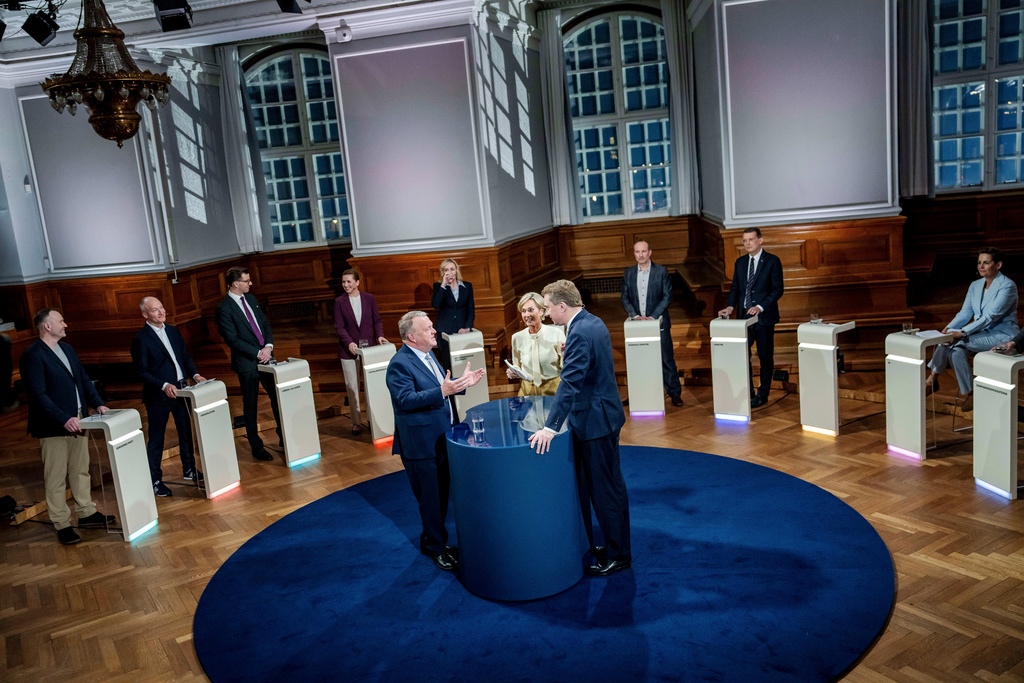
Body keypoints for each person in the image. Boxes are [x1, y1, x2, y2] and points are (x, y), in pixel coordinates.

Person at [528, 280, 631, 578]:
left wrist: (550, 428)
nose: (546, 314)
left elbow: (570, 384)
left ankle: (619, 555)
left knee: (605, 491)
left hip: (594, 422)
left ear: (562, 306)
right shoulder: (591, 322)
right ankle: (613, 546)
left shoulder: (580, 332)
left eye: (548, 308)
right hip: (604, 416)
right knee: (609, 487)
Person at [386, 311, 484, 572]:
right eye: (428, 328)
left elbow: (440, 386)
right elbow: (405, 400)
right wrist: (443, 390)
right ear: (412, 337)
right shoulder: (399, 364)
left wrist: (462, 384)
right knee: (431, 501)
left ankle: (433, 541)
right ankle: (436, 549)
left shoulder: (429, 355)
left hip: (441, 438)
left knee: (440, 498)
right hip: (421, 445)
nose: (434, 331)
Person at [19, 308, 115, 545]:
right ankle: (62, 524)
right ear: (47, 326)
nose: (66, 325)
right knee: (56, 477)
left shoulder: (68, 349)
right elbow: (38, 395)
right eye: (61, 321)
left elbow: (83, 380)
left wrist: (98, 403)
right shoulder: (33, 355)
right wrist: (63, 418)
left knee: (81, 470)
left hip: (78, 420)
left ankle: (86, 513)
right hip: (54, 425)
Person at [131, 297, 207, 497]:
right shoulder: (141, 339)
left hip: (182, 391)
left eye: (162, 307)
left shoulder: (173, 331)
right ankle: (155, 480)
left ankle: (189, 469)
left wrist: (195, 375)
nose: (161, 312)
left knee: (186, 432)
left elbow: (184, 356)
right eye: (155, 310)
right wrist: (163, 385)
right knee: (157, 439)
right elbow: (141, 371)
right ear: (145, 314)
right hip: (158, 397)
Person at [926, 247, 1018, 405]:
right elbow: (965, 313)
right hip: (980, 332)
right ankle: (971, 392)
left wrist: (962, 333)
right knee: (955, 350)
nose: (981, 266)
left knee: (956, 342)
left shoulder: (1007, 286)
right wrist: (947, 329)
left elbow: (991, 316)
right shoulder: (975, 285)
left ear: (998, 265)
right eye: (979, 262)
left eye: (986, 263)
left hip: (1002, 334)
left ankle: (932, 379)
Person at [215, 266, 281, 462]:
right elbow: (232, 339)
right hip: (247, 363)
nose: (250, 283)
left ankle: (283, 436)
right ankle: (256, 446)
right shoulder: (224, 309)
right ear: (235, 284)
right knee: (251, 405)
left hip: (267, 358)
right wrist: (257, 352)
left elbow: (264, 325)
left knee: (277, 398)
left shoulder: (251, 299)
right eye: (246, 281)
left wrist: (268, 346)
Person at [717, 227, 784, 408]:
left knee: (765, 357)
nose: (747, 243)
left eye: (751, 240)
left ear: (760, 240)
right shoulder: (740, 262)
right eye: (744, 240)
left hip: (763, 317)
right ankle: (748, 392)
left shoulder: (772, 261)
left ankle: (763, 394)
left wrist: (760, 307)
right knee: (741, 356)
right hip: (743, 318)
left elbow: (777, 290)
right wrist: (730, 307)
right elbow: (735, 288)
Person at [621, 239, 684, 407]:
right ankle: (636, 394)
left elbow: (667, 296)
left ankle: (674, 393)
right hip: (637, 325)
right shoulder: (628, 273)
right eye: (637, 252)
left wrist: (653, 316)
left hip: (659, 323)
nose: (640, 255)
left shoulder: (661, 271)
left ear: (649, 253)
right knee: (637, 361)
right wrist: (635, 315)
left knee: (666, 359)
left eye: (643, 251)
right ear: (634, 254)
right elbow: (625, 297)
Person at [333, 269, 389, 435]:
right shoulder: (339, 302)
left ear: (357, 282)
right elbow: (339, 327)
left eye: (349, 281)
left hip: (369, 349)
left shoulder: (369, 298)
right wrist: (349, 342)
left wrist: (380, 336)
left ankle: (372, 420)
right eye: (343, 282)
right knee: (352, 388)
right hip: (348, 351)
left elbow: (377, 320)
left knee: (371, 386)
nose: (345, 285)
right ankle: (356, 422)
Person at [505, 292, 565, 396]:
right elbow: (517, 365)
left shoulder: (556, 334)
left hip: (553, 390)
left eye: (530, 310)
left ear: (542, 311)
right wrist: (513, 372)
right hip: (527, 391)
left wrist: (565, 356)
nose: (526, 315)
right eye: (523, 311)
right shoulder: (517, 337)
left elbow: (566, 366)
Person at [430, 258, 475, 373]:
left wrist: (467, 327)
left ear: (456, 271)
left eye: (452, 269)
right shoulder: (438, 286)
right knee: (448, 363)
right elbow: (435, 305)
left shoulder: (467, 286)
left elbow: (471, 309)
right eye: (446, 270)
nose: (449, 272)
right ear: (443, 272)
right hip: (444, 330)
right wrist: (443, 285)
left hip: (462, 330)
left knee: (463, 361)